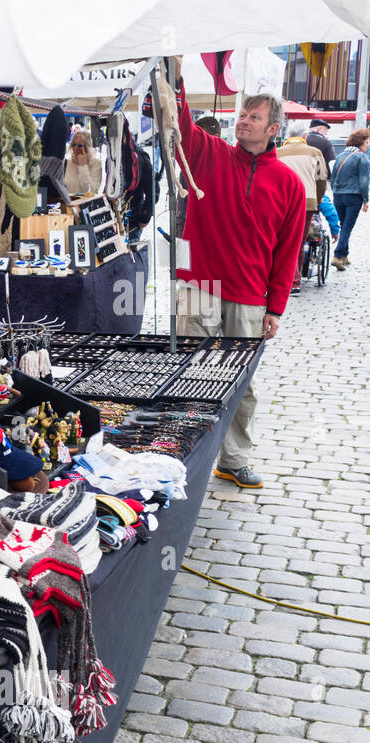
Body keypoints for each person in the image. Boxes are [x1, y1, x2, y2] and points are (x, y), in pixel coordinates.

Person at [174, 83, 306, 491]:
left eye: (254, 117)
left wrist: (276, 307)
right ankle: (181, 451)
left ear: (273, 128)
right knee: (189, 372)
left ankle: (233, 460)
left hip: (249, 295)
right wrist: (173, 77)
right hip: (199, 284)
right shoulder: (209, 153)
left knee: (240, 384)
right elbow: (179, 125)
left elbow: (288, 252)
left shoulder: (289, 184)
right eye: (242, 116)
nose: (244, 123)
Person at [276, 123, 328, 294]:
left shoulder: (277, 153)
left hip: (281, 202)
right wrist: (318, 200)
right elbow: (321, 180)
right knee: (298, 241)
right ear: (304, 136)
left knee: (279, 240)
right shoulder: (315, 153)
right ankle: (294, 282)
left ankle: (277, 279)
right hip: (307, 202)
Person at [330, 128, 370, 270]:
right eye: (366, 142)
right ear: (360, 142)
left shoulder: (341, 155)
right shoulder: (362, 157)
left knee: (343, 224)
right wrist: (366, 200)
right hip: (354, 196)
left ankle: (345, 254)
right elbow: (364, 181)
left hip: (339, 195)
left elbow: (333, 177)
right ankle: (338, 255)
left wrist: (335, 194)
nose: (368, 144)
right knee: (347, 227)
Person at [63, 130, 104, 195]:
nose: (75, 148)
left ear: (87, 146)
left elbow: (91, 191)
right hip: (69, 203)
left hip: (85, 203)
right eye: (73, 144)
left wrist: (82, 165)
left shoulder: (96, 163)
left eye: (80, 145)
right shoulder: (67, 162)